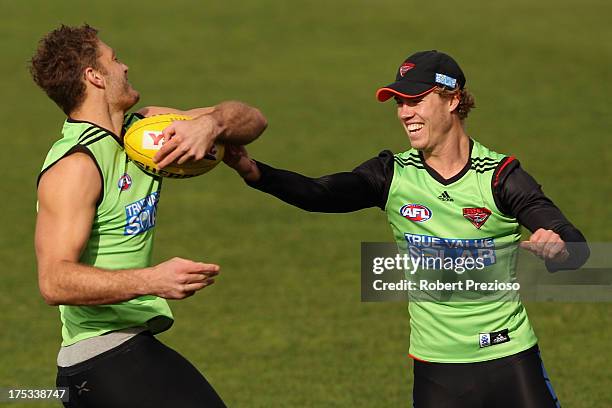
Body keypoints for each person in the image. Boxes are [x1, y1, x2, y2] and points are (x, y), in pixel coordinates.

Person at [220, 50, 589, 407]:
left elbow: (576, 245)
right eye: (399, 103)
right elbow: (321, 193)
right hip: (437, 372)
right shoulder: (393, 174)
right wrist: (252, 171)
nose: (404, 113)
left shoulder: (499, 177)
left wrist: (559, 250)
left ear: (452, 100)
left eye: (414, 99)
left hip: (510, 359)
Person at [31, 24, 266, 408]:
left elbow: (254, 119)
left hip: (124, 350)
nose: (125, 67)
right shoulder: (77, 165)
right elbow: (54, 281)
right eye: (114, 59)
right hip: (100, 359)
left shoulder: (146, 129)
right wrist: (153, 279)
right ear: (94, 76)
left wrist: (212, 124)